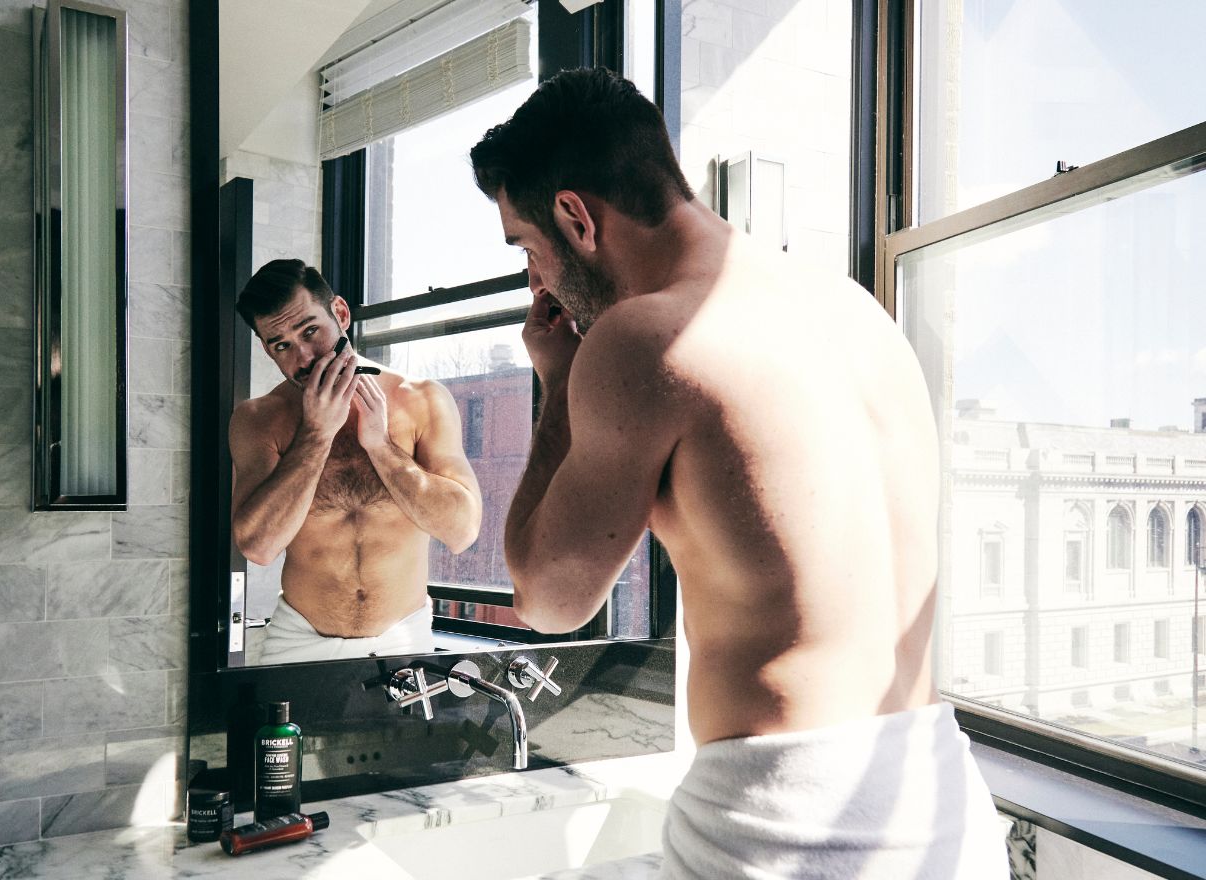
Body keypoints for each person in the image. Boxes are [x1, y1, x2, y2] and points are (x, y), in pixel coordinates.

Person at [471, 69, 1007, 878]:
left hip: (789, 830)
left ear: (577, 217)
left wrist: (555, 387)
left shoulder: (644, 337)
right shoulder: (857, 311)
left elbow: (548, 600)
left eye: (527, 247)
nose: (535, 280)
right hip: (945, 815)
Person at [229, 259, 482, 663]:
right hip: (298, 641)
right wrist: (316, 435)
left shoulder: (423, 401)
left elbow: (461, 531)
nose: (305, 356)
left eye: (311, 331)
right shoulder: (259, 420)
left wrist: (381, 446)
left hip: (406, 638)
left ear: (341, 314)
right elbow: (258, 546)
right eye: (282, 345)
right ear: (266, 349)